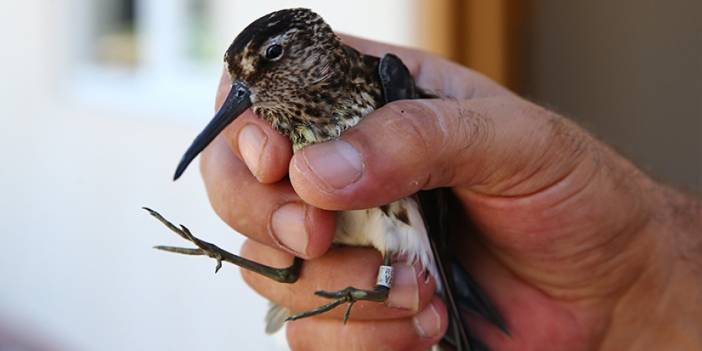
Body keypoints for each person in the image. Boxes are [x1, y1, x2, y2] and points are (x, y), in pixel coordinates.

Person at [198, 35, 701, 350]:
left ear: (308, 46)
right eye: (243, 81)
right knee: (314, 260)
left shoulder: (380, 77)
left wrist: (643, 285)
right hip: (375, 249)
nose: (248, 91)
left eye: (271, 57)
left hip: (416, 239)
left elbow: (428, 208)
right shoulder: (270, 113)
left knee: (379, 285)